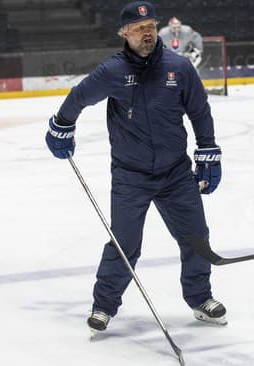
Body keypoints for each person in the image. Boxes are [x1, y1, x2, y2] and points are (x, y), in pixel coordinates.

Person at [44, 1, 227, 332]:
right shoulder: (112, 72)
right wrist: (62, 125)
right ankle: (104, 305)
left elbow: (199, 111)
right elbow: (78, 97)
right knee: (126, 244)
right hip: (131, 176)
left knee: (196, 237)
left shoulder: (179, 68)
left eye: (152, 27)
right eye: (140, 28)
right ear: (124, 33)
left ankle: (200, 298)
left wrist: (208, 151)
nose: (148, 33)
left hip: (175, 173)